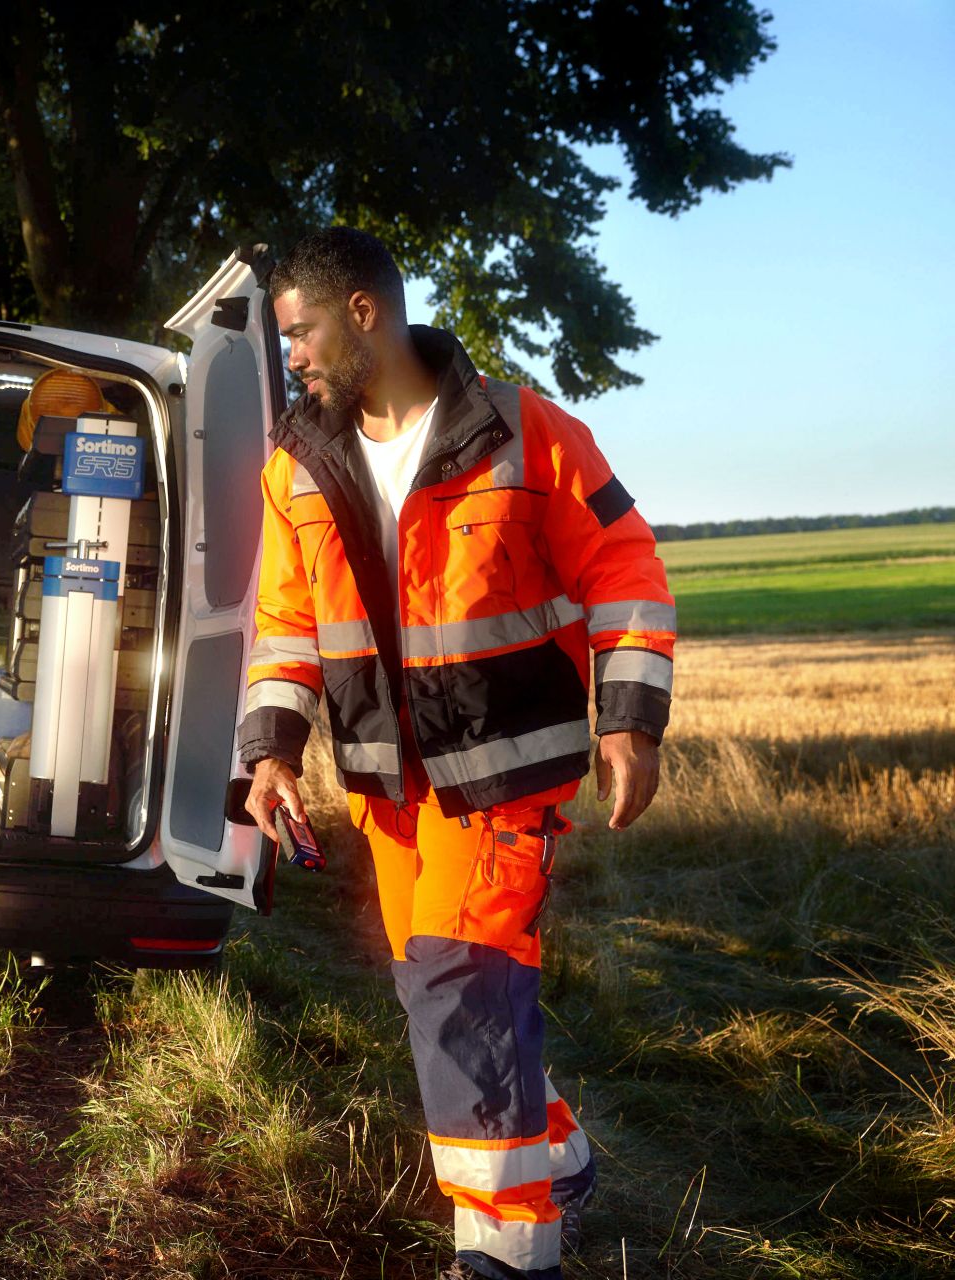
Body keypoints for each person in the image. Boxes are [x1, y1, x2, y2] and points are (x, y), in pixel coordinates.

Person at [239, 228, 674, 1280]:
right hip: (389, 787)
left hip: (504, 775)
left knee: (460, 984)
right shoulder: (295, 460)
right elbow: (287, 622)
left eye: (297, 331)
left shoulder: (525, 430)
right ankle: (555, 1147)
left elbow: (627, 566)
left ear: (363, 313)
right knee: (441, 991)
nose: (288, 355)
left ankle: (509, 1248)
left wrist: (629, 715)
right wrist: (271, 749)